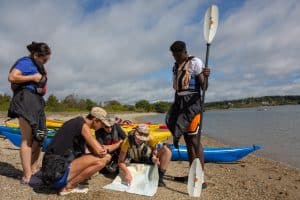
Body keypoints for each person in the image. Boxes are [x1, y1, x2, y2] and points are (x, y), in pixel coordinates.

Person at [165, 41, 210, 187]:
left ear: (185, 52)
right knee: (188, 141)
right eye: (174, 56)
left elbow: (204, 87)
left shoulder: (195, 62)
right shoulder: (175, 66)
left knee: (195, 141)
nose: (176, 58)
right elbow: (178, 89)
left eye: (178, 55)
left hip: (193, 104)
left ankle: (200, 178)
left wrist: (206, 75)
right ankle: (192, 174)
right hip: (179, 103)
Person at [41, 107, 112, 195]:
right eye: (102, 124)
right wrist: (105, 149)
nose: (102, 127)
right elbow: (100, 152)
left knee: (91, 157)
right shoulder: (82, 125)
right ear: (95, 120)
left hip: (49, 174)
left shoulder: (75, 123)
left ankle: (68, 183)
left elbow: (87, 152)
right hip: (55, 174)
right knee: (105, 158)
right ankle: (68, 187)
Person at [7, 41, 51, 185]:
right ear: (36, 55)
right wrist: (32, 77)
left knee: (40, 136)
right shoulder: (26, 62)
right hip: (25, 99)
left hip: (37, 101)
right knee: (27, 139)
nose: (45, 62)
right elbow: (12, 77)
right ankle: (27, 176)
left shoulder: (39, 66)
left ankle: (33, 169)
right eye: (44, 59)